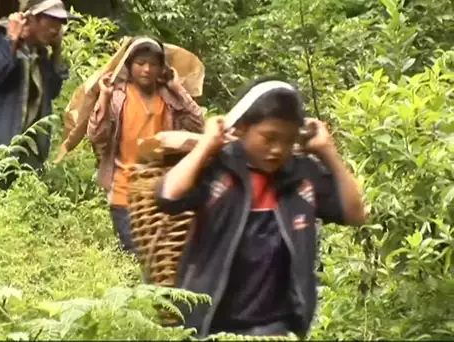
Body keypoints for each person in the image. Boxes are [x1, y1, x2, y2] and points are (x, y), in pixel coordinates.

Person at [155, 76, 367, 338]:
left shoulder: (302, 177)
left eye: (288, 140)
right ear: (242, 129)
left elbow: (356, 214)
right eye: (269, 137)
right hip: (210, 323)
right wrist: (207, 145)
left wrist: (328, 153)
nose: (278, 149)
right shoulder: (220, 170)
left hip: (275, 327)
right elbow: (168, 196)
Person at [87, 36, 205, 255]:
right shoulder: (118, 97)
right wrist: (103, 96)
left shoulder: (168, 97)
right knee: (135, 257)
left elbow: (199, 126)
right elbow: (96, 136)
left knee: (162, 258)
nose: (146, 69)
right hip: (124, 191)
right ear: (130, 66)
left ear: (162, 68)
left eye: (153, 64)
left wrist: (178, 89)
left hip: (161, 192)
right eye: (140, 63)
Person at [0, 0, 78, 188]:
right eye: (51, 21)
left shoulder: (40, 53)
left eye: (60, 24)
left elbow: (52, 92)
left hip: (25, 152)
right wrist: (11, 40)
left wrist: (57, 51)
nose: (57, 29)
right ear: (30, 20)